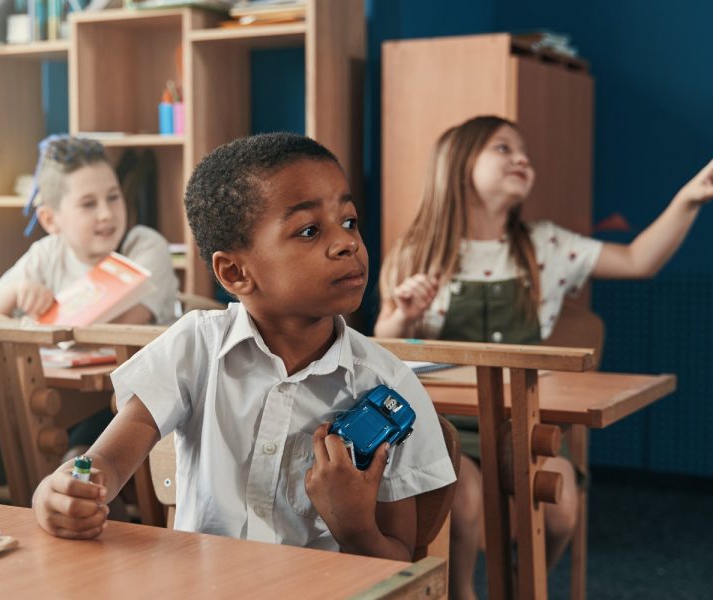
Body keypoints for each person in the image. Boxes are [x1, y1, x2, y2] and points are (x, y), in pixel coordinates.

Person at [31, 132, 456, 559]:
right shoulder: (196, 345)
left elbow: (401, 566)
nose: (347, 242)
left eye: (349, 221)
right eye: (309, 230)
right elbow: (106, 464)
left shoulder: (391, 388)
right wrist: (58, 494)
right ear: (234, 273)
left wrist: (355, 527)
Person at [374, 115, 713, 599]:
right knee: (461, 501)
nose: (521, 157)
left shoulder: (544, 245)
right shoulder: (416, 253)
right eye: (503, 149)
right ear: (457, 164)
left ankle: (523, 589)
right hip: (443, 426)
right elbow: (386, 340)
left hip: (525, 424)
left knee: (560, 505)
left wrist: (687, 200)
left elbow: (638, 260)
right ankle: (460, 592)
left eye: (523, 149)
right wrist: (403, 315)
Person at [0, 135, 180, 499]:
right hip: (47, 401)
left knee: (77, 470)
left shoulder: (143, 245)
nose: (107, 213)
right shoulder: (46, 254)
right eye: (88, 204)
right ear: (50, 219)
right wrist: (17, 294)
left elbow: (122, 325)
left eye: (113, 197)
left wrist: (32, 325)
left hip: (122, 409)